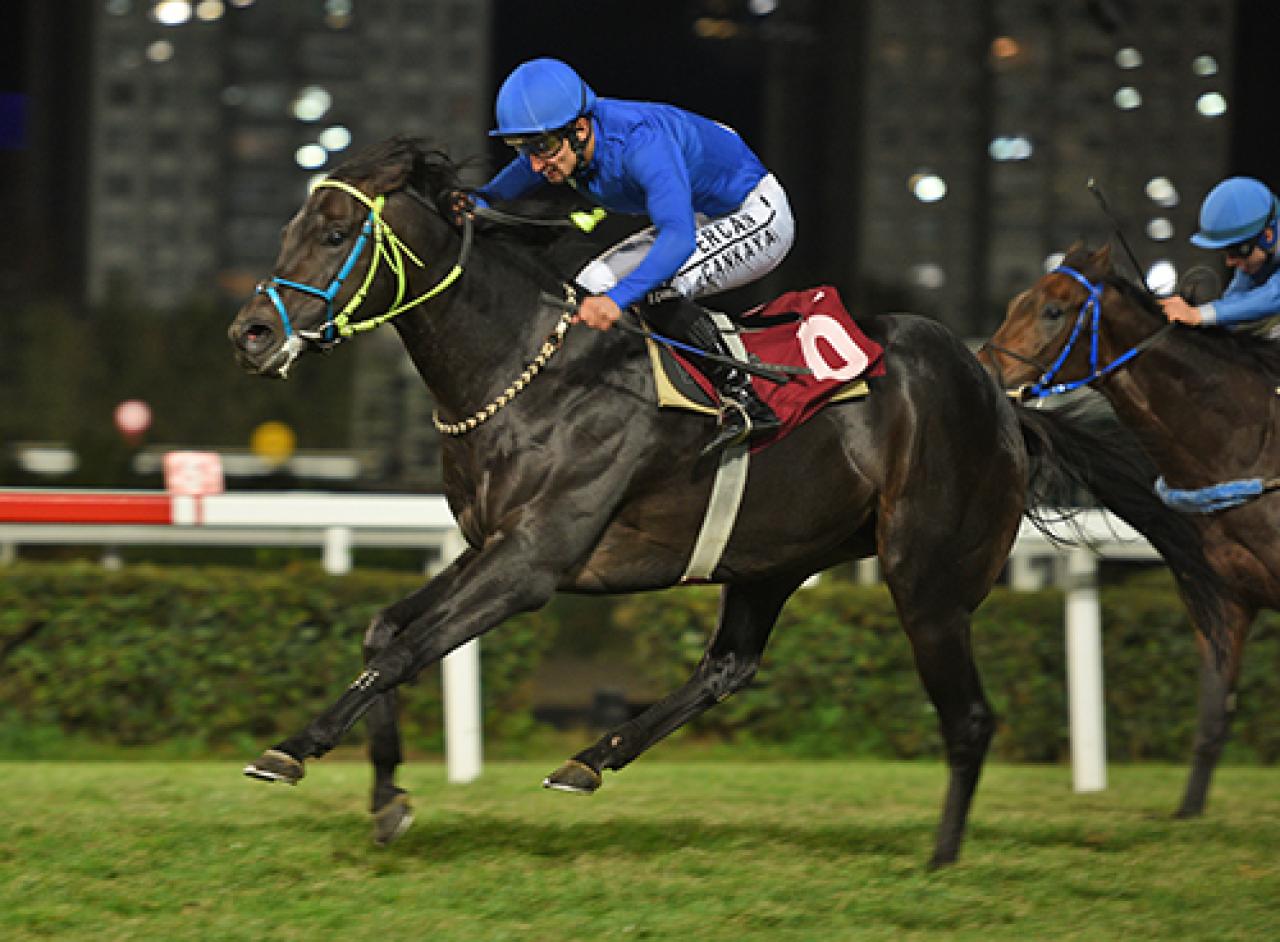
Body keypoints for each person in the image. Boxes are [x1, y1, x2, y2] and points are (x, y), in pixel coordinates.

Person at [465, 58, 796, 456]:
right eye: (523, 149)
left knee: (658, 285)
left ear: (580, 128)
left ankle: (744, 400)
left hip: (756, 213)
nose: (536, 163)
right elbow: (522, 174)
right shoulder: (566, 142)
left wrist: (617, 301)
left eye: (543, 148)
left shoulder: (641, 143)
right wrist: (481, 199)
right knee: (588, 286)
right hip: (699, 211)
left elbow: (678, 240)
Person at [1160, 176, 1280, 336]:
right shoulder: (1256, 256)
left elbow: (1274, 296)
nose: (1229, 262)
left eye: (1235, 251)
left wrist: (1198, 315)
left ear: (1268, 236)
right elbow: (1234, 302)